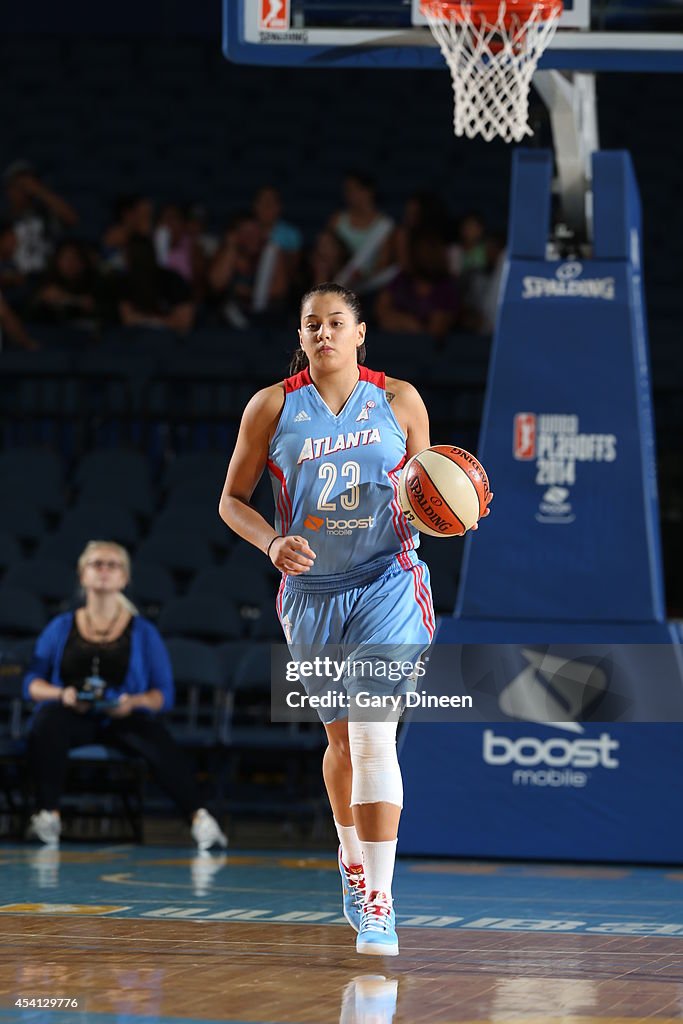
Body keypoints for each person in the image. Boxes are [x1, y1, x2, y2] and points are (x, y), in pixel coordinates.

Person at [219, 282, 451, 956]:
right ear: (299, 338)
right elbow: (232, 500)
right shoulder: (271, 406)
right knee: (343, 744)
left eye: (335, 322)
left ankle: (378, 901)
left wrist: (449, 510)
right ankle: (350, 860)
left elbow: (422, 496)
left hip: (388, 580)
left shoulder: (399, 400)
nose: (322, 332)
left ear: (360, 332)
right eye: (310, 324)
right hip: (312, 593)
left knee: (375, 734)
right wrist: (269, 541)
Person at [23, 540, 227, 852]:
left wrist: (134, 702)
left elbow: (164, 695)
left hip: (122, 715)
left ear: (124, 578)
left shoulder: (144, 631)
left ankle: (200, 819)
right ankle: (47, 815)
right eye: (96, 564)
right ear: (82, 575)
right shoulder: (60, 626)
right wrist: (61, 694)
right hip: (72, 714)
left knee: (157, 740)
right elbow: (31, 684)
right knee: (47, 722)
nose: (104, 571)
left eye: (112, 565)